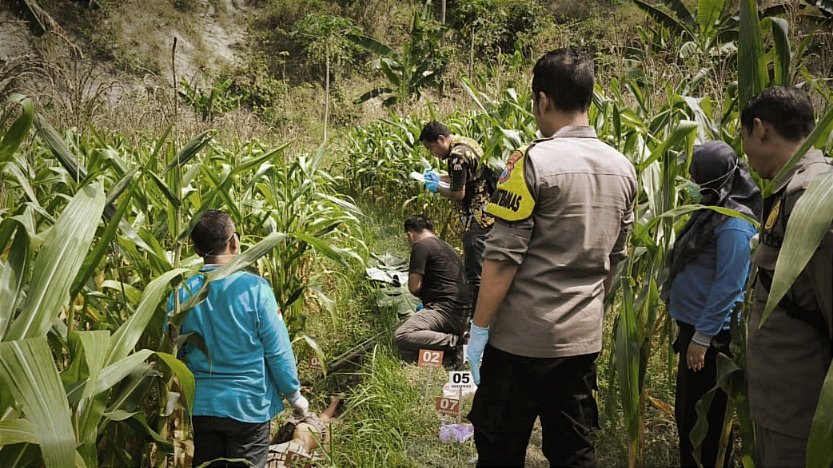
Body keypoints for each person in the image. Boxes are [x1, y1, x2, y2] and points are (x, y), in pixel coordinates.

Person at [465, 48, 637, 467]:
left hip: (521, 343)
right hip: (581, 342)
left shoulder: (531, 163)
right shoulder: (623, 167)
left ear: (543, 100)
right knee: (573, 451)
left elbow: (501, 259)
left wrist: (479, 328)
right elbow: (615, 258)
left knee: (500, 449)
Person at [167, 210, 309, 468]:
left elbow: (173, 348)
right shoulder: (256, 289)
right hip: (249, 406)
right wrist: (294, 395)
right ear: (234, 241)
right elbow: (277, 350)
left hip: (203, 406)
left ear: (196, 249)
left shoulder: (181, 293)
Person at [741, 86, 833, 467]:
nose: (746, 155)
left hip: (801, 411)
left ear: (760, 129)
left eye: (744, 140)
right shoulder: (790, 191)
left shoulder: (812, 198)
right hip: (782, 401)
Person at [664, 141, 760, 468]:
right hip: (694, 330)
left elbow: (730, 286)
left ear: (712, 179)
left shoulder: (733, 224)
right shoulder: (711, 212)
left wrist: (703, 338)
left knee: (704, 422)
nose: (690, 181)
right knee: (687, 415)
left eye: (695, 176)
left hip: (712, 340)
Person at [419, 121, 495, 312]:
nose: (433, 153)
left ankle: (476, 318)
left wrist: (437, 187)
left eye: (431, 148)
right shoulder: (466, 143)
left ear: (441, 139)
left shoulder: (456, 156)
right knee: (487, 266)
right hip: (490, 212)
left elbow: (458, 193)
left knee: (475, 273)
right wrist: (440, 177)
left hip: (476, 218)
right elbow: (468, 177)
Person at [394, 215, 470, 368]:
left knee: (402, 335)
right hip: (463, 315)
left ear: (410, 233)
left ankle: (457, 342)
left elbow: (414, 287)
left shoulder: (421, 245)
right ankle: (454, 340)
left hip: (444, 311)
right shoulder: (446, 246)